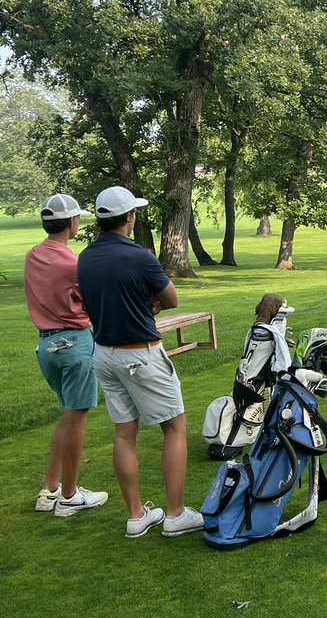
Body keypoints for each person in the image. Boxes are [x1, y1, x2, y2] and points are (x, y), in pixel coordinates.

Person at [76, 186, 203, 539]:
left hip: (104, 353)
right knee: (174, 427)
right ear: (129, 217)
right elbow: (171, 299)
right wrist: (152, 301)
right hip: (140, 353)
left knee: (124, 434)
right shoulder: (140, 256)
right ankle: (175, 515)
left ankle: (137, 515)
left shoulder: (85, 257)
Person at [24, 193, 108, 518]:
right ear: (72, 222)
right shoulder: (73, 263)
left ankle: (50, 490)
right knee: (76, 417)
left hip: (45, 347)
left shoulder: (33, 256)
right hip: (74, 343)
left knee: (67, 415)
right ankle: (71, 496)